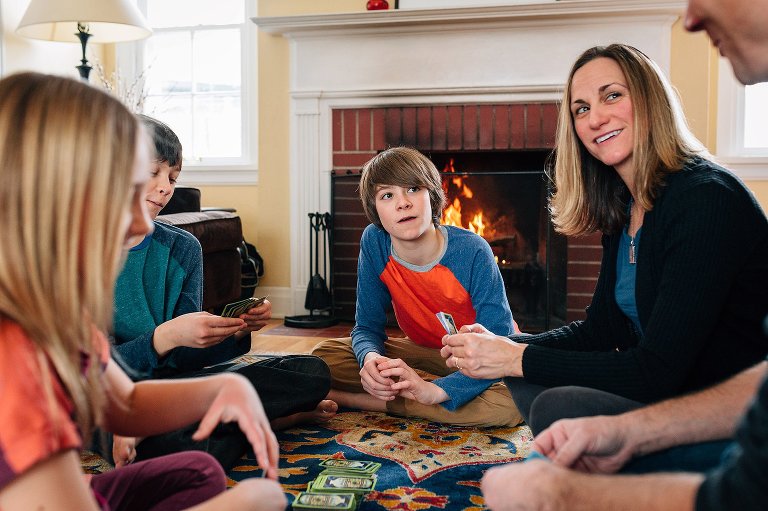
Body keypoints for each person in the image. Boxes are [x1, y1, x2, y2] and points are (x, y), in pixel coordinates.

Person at [479, 1, 768, 508]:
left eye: (612, 96)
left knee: (556, 400)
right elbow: (603, 328)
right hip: (667, 386)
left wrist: (522, 357)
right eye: (582, 108)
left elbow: (657, 370)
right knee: (528, 379)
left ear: (649, 99)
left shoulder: (704, 199)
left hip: (711, 404)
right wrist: (508, 344)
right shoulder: (627, 204)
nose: (596, 118)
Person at [0, 72, 285, 510]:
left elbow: (126, 400)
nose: (141, 223)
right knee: (259, 497)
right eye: (129, 192)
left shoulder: (56, 314)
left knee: (201, 472)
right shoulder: (15, 357)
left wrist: (225, 387)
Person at [110, 115, 336, 470]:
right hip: (111, 397)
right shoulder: (75, 253)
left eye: (172, 177)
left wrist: (235, 330)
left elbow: (185, 361)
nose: (166, 187)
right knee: (185, 450)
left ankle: (221, 424)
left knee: (312, 372)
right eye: (153, 172)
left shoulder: (183, 249)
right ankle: (270, 421)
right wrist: (161, 338)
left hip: (178, 389)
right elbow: (86, 370)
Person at [312, 146, 522, 427]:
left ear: (432, 195)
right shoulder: (375, 242)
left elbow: (500, 342)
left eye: (412, 188)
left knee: (510, 405)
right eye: (388, 195)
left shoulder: (472, 250)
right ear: (376, 210)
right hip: (421, 351)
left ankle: (370, 401)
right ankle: (427, 390)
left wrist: (435, 390)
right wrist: (370, 360)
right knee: (324, 357)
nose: (402, 203)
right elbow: (365, 327)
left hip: (479, 358)